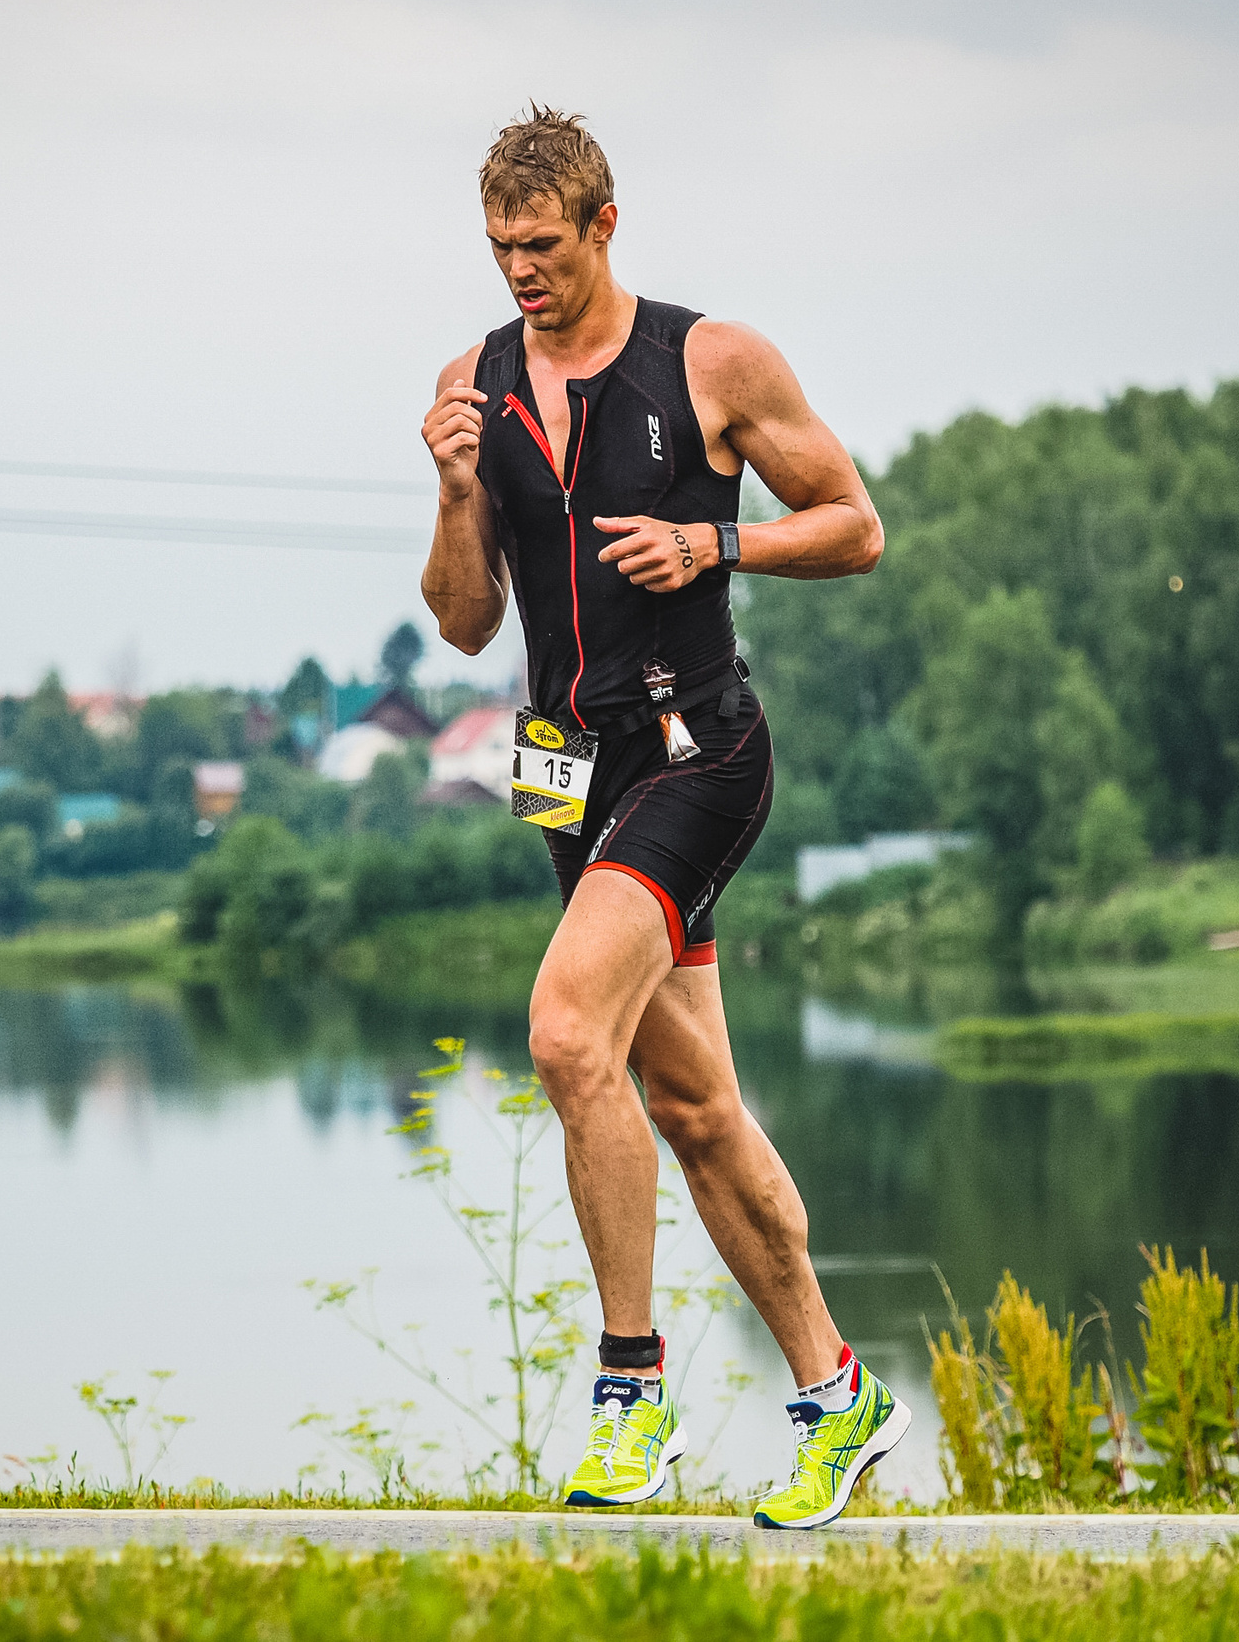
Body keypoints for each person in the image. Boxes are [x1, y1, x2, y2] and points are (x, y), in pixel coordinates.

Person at [417, 105, 902, 1530]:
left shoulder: (710, 361)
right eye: (501, 247)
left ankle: (632, 1392)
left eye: (544, 244)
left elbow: (857, 525)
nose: (521, 271)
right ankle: (837, 1395)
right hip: (572, 776)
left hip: (703, 752)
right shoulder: (475, 385)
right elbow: (459, 624)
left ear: (604, 225)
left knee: (569, 1032)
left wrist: (715, 539)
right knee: (693, 1107)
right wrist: (455, 493)